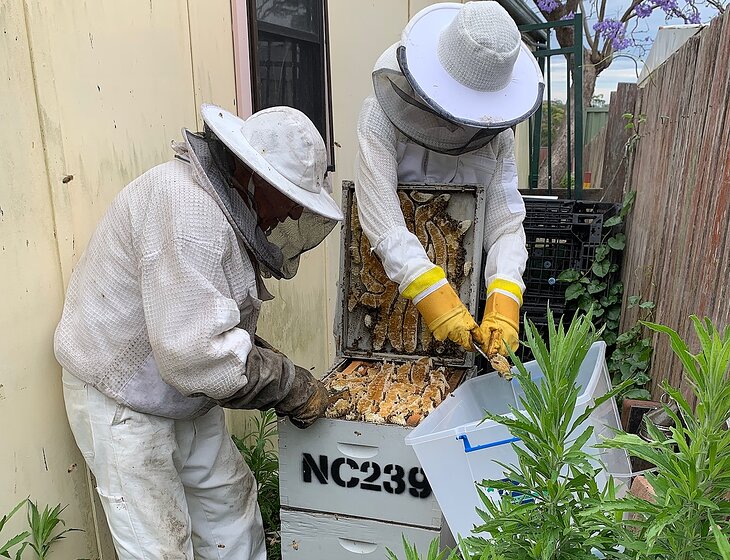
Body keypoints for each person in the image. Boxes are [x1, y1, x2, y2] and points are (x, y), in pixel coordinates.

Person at [54, 104, 343, 559]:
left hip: (182, 387)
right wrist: (289, 385)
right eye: (287, 197)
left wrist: (275, 370)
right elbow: (197, 355)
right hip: (122, 393)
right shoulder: (187, 210)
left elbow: (203, 328)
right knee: (160, 545)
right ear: (254, 177)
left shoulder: (220, 208)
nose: (290, 214)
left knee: (230, 509)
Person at [355, 1, 543, 359]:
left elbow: (505, 224)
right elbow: (382, 217)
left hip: (463, 295)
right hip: (384, 294)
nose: (459, 126)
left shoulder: (498, 136)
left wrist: (505, 293)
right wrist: (428, 288)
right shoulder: (380, 116)